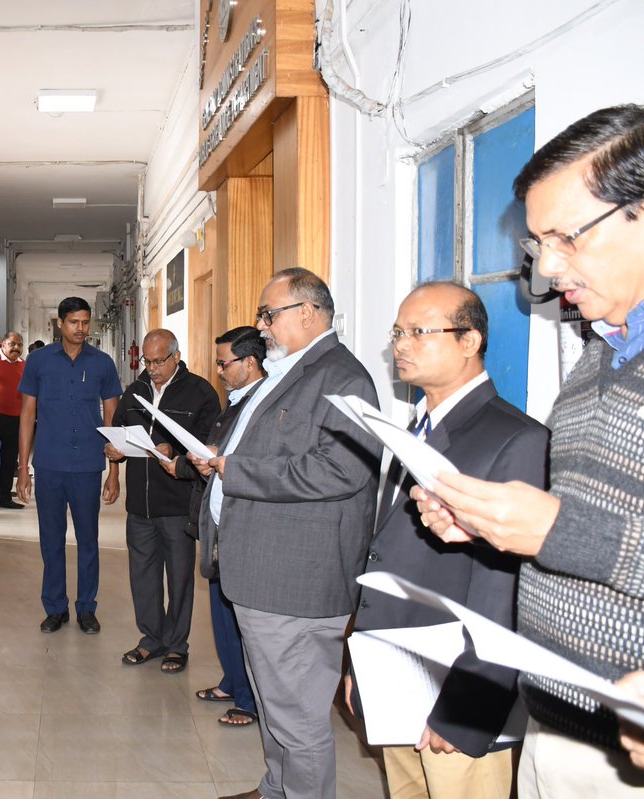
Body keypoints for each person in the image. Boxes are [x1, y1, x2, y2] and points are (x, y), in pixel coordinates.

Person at [412, 104, 644, 794]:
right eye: (538, 242)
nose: (546, 266)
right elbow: (573, 526)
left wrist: (559, 529)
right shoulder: (597, 353)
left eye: (565, 236)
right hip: (558, 717)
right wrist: (488, 528)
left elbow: (580, 533)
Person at [349, 283, 549, 799]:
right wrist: (362, 665)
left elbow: (505, 589)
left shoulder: (515, 438)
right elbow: (388, 549)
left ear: (469, 340)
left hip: (456, 689)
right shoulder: (414, 428)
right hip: (396, 673)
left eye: (420, 332)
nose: (401, 345)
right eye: (398, 332)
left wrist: (469, 707)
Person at [194, 268, 381, 799]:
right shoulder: (291, 372)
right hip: (264, 572)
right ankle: (277, 787)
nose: (262, 326)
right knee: (277, 704)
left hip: (296, 580)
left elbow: (342, 471)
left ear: (308, 312)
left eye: (268, 314)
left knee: (299, 720)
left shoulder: (343, 377)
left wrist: (237, 470)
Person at [168, 326, 265, 728]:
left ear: (250, 362)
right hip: (218, 520)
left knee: (244, 621)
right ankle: (232, 681)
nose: (219, 370)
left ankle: (250, 698)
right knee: (222, 611)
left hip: (244, 525)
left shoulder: (264, 401)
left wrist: (215, 459)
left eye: (225, 363)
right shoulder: (235, 399)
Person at [107, 329, 219, 675]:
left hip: (177, 503)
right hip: (139, 504)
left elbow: (211, 444)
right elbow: (119, 429)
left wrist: (177, 449)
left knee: (180, 578)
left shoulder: (200, 392)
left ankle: (176, 645)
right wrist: (115, 452)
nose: (152, 368)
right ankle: (151, 638)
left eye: (159, 361)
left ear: (176, 356)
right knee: (142, 575)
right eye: (147, 361)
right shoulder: (135, 391)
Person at [18, 296, 122, 634]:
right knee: (51, 539)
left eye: (85, 322)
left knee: (89, 539)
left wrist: (114, 471)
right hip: (49, 462)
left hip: (88, 464)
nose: (81, 328)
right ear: (59, 324)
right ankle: (55, 607)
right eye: (74, 322)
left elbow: (112, 418)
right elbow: (27, 415)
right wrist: (22, 468)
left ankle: (87, 608)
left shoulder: (103, 363)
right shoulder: (38, 361)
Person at [0, 332, 26, 509]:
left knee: (9, 458)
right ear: (3, 345)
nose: (16, 348)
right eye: (12, 344)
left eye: (19, 345)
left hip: (16, 418)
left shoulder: (24, 365)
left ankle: (5, 497)